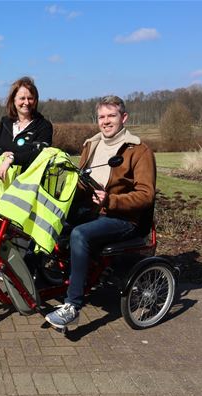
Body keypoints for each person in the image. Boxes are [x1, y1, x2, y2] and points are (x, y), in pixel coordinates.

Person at [45, 95, 156, 330]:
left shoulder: (138, 150)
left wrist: (112, 200)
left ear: (123, 118)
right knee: (51, 222)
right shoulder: (91, 144)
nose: (106, 121)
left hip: (123, 218)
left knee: (80, 235)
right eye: (102, 117)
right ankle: (42, 280)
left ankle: (72, 306)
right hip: (93, 212)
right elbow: (82, 183)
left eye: (111, 116)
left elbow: (146, 195)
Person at [0, 76, 53, 179]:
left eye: (30, 98)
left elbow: (38, 154)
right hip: (3, 181)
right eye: (22, 98)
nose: (26, 103)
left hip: (29, 184)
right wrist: (3, 154)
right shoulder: (5, 122)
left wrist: (12, 159)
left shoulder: (44, 126)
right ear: (13, 100)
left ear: (35, 101)